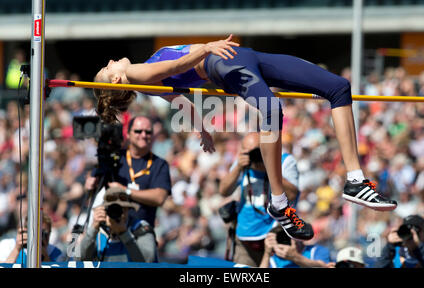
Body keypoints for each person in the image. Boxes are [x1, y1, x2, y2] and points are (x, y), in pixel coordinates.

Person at [93, 35, 396, 240]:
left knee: (338, 87)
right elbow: (176, 66)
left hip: (246, 56)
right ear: (117, 79)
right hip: (222, 62)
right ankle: (279, 201)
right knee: (271, 109)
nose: (110, 61)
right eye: (107, 68)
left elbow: (179, 99)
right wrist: (207, 48)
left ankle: (355, 179)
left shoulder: (144, 78)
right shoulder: (138, 73)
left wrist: (201, 127)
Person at [85, 116, 171, 257]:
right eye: (138, 131)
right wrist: (89, 183)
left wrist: (125, 191)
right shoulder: (115, 158)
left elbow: (160, 197)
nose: (143, 135)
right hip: (109, 232)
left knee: (147, 262)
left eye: (148, 132)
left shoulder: (159, 164)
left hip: (141, 232)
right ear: (128, 133)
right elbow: (92, 185)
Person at [218, 132, 301, 267]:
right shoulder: (242, 163)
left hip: (275, 234)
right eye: (248, 151)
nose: (254, 156)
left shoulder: (284, 161)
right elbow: (223, 191)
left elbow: (292, 195)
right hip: (245, 236)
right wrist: (238, 167)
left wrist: (270, 169)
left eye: (257, 151)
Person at [79, 187, 157, 262]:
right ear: (105, 210)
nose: (119, 213)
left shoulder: (139, 227)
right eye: (112, 209)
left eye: (122, 208)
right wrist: (93, 228)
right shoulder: (99, 231)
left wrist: (124, 234)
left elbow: (148, 260)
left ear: (128, 209)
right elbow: (79, 259)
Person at [259, 226, 335, 268]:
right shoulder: (273, 260)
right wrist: (267, 253)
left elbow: (323, 266)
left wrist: (295, 257)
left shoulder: (316, 250)